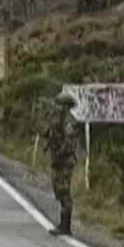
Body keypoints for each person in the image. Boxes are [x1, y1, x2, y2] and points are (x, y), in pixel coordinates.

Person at [44, 87, 79, 235]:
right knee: (58, 191)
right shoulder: (58, 119)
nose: (57, 107)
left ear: (65, 106)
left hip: (65, 161)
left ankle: (66, 226)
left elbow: (68, 144)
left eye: (60, 104)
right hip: (58, 159)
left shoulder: (69, 122)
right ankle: (62, 224)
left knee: (64, 192)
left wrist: (58, 156)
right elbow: (51, 134)